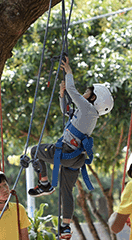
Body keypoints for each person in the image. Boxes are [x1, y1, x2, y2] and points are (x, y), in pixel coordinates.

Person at [21, 60, 113, 196]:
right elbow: (66, 111)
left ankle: (44, 185)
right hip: (72, 155)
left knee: (35, 151)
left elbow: (72, 90)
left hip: (66, 150)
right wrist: (61, 95)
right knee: (38, 153)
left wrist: (69, 72)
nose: (83, 93)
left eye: (87, 92)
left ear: (93, 97)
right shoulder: (88, 114)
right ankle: (45, 184)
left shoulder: (88, 109)